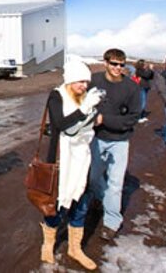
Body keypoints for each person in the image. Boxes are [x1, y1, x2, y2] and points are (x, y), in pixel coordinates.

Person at [71, 48, 140, 242]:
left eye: (121, 65)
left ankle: (112, 222)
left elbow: (133, 117)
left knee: (116, 184)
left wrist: (104, 119)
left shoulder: (131, 88)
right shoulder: (94, 81)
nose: (118, 68)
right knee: (93, 178)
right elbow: (77, 101)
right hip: (96, 139)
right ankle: (103, 199)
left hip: (120, 141)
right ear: (106, 63)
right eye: (114, 64)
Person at [38, 60, 103, 269]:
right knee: (55, 206)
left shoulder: (87, 97)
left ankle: (75, 248)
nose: (84, 86)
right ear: (70, 79)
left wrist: (95, 114)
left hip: (83, 157)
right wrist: (84, 109)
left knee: (82, 203)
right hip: (61, 159)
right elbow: (60, 124)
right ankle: (48, 244)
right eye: (80, 81)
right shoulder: (56, 96)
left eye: (86, 82)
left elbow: (89, 126)